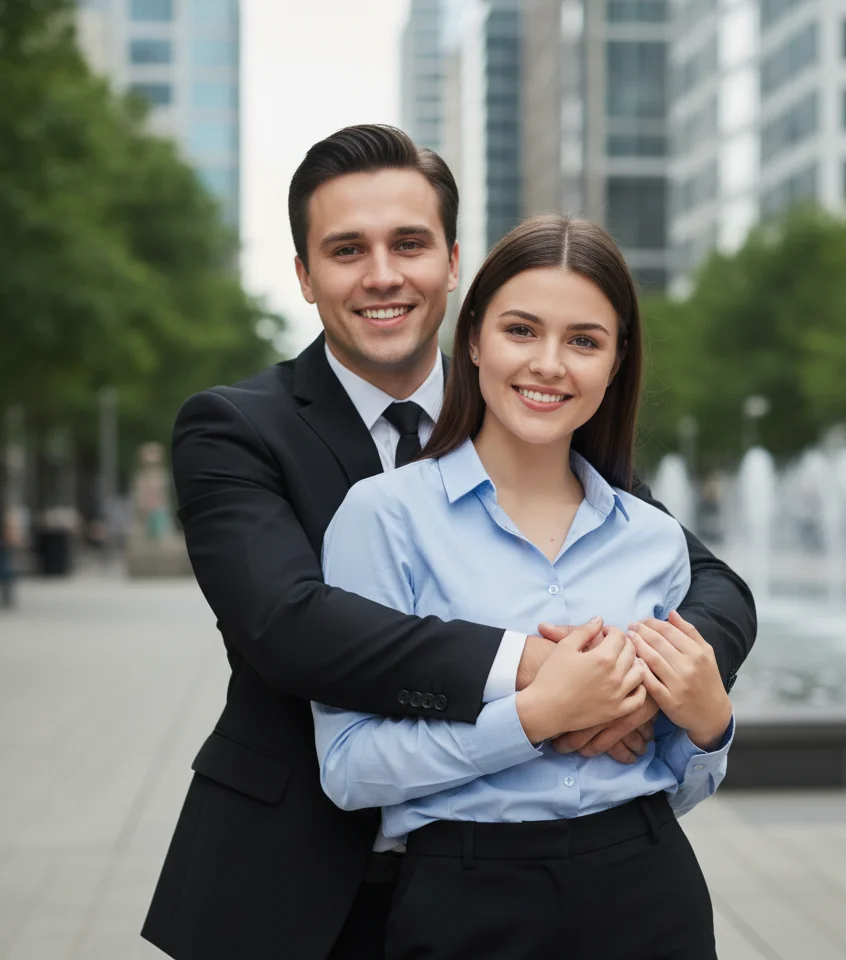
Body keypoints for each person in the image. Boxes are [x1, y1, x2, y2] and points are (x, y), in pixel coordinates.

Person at [141, 125, 756, 960]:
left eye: (410, 244)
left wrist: (650, 685)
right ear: (305, 276)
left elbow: (708, 580)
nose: (384, 274)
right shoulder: (235, 428)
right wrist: (542, 680)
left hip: (584, 884)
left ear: (453, 263)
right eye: (347, 249)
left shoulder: (538, 419)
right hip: (301, 881)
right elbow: (288, 624)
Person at [313, 214, 733, 960]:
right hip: (466, 900)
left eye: (583, 341)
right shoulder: (384, 518)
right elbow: (350, 768)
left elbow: (675, 780)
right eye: (520, 330)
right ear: (473, 339)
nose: (549, 364)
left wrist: (708, 729)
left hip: (647, 888)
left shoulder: (654, 539)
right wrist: (537, 714)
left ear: (615, 362)